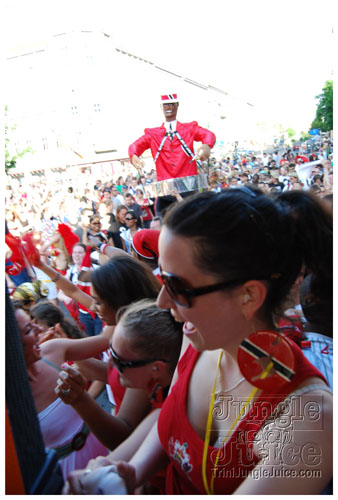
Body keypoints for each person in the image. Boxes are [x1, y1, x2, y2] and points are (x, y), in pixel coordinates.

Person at [68, 187, 332, 494]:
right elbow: (170, 416)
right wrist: (129, 471)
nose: (162, 302)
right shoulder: (196, 339)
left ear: (249, 296)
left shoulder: (312, 418)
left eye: (178, 286)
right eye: (162, 279)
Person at [13, 303, 109, 480]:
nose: (37, 328)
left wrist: (96, 300)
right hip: (67, 476)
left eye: (33, 322)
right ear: (11, 348)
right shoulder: (10, 402)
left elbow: (107, 339)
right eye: (28, 330)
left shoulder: (51, 350)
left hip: (104, 448)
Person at [128, 93, 216, 215]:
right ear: (161, 107)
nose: (168, 108)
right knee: (163, 225)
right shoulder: (153, 134)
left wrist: (207, 145)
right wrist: (134, 155)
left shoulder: (189, 128)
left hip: (188, 188)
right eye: (165, 105)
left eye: (171, 104)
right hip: (165, 191)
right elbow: (135, 146)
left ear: (177, 106)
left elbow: (208, 135)